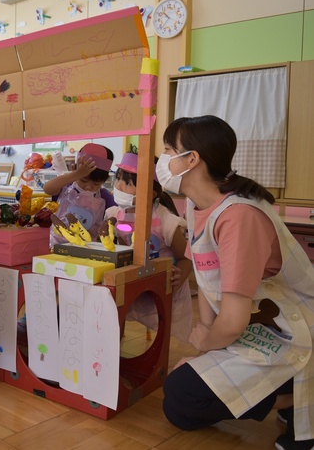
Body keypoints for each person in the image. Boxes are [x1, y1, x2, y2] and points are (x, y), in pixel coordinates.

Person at [159, 116, 314, 450]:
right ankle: (286, 392)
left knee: (183, 396)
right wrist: (204, 329)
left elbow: (232, 319)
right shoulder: (196, 208)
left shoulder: (239, 216)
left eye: (168, 149)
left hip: (292, 331)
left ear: (192, 159)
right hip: (253, 328)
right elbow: (203, 272)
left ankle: (296, 396)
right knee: (177, 398)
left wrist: (206, 347)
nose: (163, 159)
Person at [105, 152, 193, 341]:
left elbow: (187, 257)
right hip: (133, 284)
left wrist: (180, 277)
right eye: (118, 178)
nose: (119, 186)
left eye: (128, 184)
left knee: (164, 335)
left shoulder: (166, 222)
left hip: (162, 289)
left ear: (150, 193)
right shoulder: (113, 214)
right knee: (114, 316)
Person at [43, 143, 116, 245]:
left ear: (105, 179)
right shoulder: (65, 186)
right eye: (83, 180)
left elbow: (114, 219)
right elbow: (47, 188)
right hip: (56, 246)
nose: (88, 187)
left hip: (87, 249)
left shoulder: (105, 197)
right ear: (74, 169)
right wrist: (77, 174)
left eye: (96, 183)